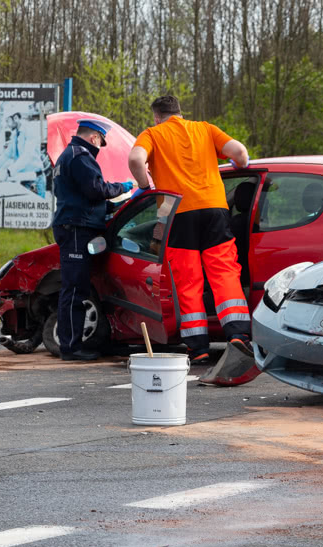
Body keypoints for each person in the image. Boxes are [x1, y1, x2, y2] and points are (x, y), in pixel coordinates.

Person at [128, 96, 252, 363]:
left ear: (157, 117)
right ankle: (238, 336)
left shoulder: (153, 134)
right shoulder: (205, 129)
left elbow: (136, 159)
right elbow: (240, 153)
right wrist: (241, 165)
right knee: (223, 271)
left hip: (175, 213)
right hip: (214, 208)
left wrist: (144, 185)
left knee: (188, 281)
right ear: (180, 113)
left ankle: (199, 349)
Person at [52, 119, 133, 361]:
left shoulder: (70, 155)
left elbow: (85, 197)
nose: (100, 147)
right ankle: (70, 347)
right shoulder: (80, 156)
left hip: (77, 225)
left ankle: (75, 342)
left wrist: (109, 207)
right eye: (101, 142)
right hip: (77, 228)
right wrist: (125, 187)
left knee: (77, 287)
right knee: (75, 288)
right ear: (95, 137)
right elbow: (96, 189)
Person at [0, 111, 47, 198]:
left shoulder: (30, 130)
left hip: (35, 179)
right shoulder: (15, 134)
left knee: (37, 209)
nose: (6, 125)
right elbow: (6, 155)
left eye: (7, 121)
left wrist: (8, 172)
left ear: (16, 118)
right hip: (24, 179)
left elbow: (26, 156)